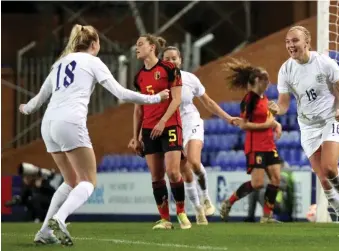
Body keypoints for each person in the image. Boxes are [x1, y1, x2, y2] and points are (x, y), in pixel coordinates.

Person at [19, 24, 170, 246]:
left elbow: (38, 100)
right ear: (94, 44)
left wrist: (25, 109)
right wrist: (155, 98)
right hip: (70, 121)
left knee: (70, 180)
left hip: (48, 124)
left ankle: (44, 231)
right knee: (88, 181)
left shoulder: (59, 63)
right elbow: (120, 92)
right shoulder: (92, 62)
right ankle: (59, 220)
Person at [268, 26, 339, 237]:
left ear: (307, 42)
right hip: (307, 125)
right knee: (323, 179)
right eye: (287, 41)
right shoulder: (286, 70)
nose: (291, 45)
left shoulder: (324, 63)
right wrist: (276, 110)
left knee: (329, 167)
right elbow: (283, 105)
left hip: (331, 118)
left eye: (295, 41)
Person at [162, 46, 239, 224]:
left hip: (192, 122)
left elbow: (208, 102)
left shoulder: (190, 79)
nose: (171, 61)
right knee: (185, 172)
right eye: (167, 58)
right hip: (173, 128)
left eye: (174, 58)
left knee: (194, 161)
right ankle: (198, 209)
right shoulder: (159, 83)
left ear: (180, 60)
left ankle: (205, 197)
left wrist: (228, 118)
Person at [128, 35, 191, 230]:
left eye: (140, 44)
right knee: (156, 176)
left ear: (152, 47)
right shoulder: (138, 77)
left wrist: (163, 122)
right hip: (148, 129)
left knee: (173, 172)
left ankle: (181, 212)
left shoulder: (170, 69)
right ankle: (165, 219)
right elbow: (138, 109)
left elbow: (176, 99)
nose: (136, 48)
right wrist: (135, 137)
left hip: (170, 125)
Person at [219, 59, 283, 223]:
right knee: (257, 184)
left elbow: (266, 118)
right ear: (256, 81)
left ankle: (267, 217)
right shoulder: (249, 100)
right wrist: (267, 124)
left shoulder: (263, 98)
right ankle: (228, 202)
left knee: (276, 179)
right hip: (256, 146)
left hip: (269, 144)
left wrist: (275, 124)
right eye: (265, 80)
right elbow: (244, 125)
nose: (268, 83)